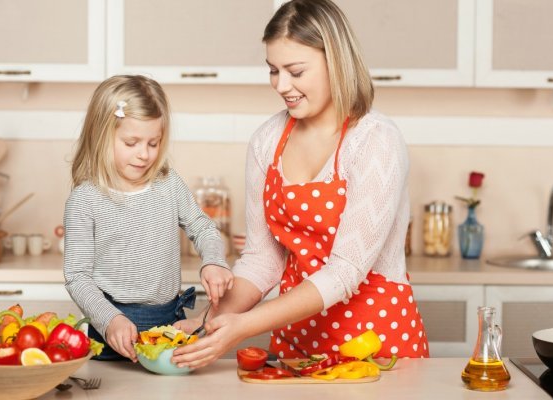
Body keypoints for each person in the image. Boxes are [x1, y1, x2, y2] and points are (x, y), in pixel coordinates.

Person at [172, 0, 429, 369]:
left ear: (336, 62)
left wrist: (243, 326)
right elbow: (263, 259)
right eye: (273, 70)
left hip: (378, 343)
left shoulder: (376, 140)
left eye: (295, 71)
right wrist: (205, 323)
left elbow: (345, 271)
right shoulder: (267, 140)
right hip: (299, 345)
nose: (281, 85)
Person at [63, 75, 233, 362]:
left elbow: (203, 227)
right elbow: (77, 277)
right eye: (131, 142)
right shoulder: (85, 199)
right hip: (110, 333)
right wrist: (110, 320)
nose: (144, 155)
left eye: (153, 143)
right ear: (101, 134)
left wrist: (214, 261)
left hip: (168, 328)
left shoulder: (168, 184)